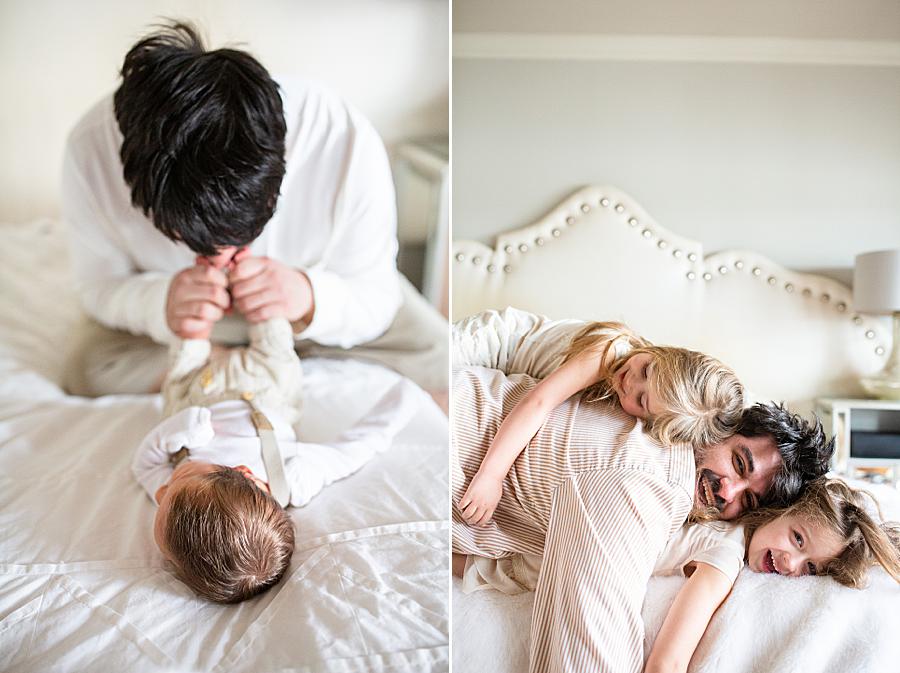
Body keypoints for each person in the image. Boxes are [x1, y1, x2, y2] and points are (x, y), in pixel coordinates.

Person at [62, 21, 447, 399]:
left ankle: (233, 368)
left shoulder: (340, 136)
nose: (224, 260)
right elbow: (97, 286)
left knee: (443, 359)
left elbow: (375, 295)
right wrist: (161, 302)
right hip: (186, 321)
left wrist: (309, 297)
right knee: (90, 368)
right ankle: (253, 366)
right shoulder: (90, 148)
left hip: (314, 308)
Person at [451, 307, 834, 673]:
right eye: (738, 463)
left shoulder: (701, 523)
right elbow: (507, 339)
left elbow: (530, 562)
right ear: (722, 430)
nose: (727, 491)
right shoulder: (615, 355)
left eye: (746, 500)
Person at [132, 251, 417, 604]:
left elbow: (145, 461)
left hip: (197, 391)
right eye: (174, 484)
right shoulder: (293, 479)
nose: (159, 491)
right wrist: (403, 401)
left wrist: (179, 428)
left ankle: (205, 287)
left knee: (184, 351)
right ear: (241, 472)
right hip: (266, 392)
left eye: (162, 498)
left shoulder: (170, 495)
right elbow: (353, 449)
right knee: (274, 338)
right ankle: (248, 271)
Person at [459, 477, 900, 673]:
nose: (789, 564)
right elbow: (667, 659)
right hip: (545, 555)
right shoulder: (725, 552)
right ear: (783, 509)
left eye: (810, 569)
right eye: (798, 540)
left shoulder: (728, 532)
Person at [458, 315, 744, 526]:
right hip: (487, 342)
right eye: (647, 369)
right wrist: (491, 476)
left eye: (642, 400)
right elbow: (538, 402)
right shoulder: (609, 351)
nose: (631, 382)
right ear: (666, 353)